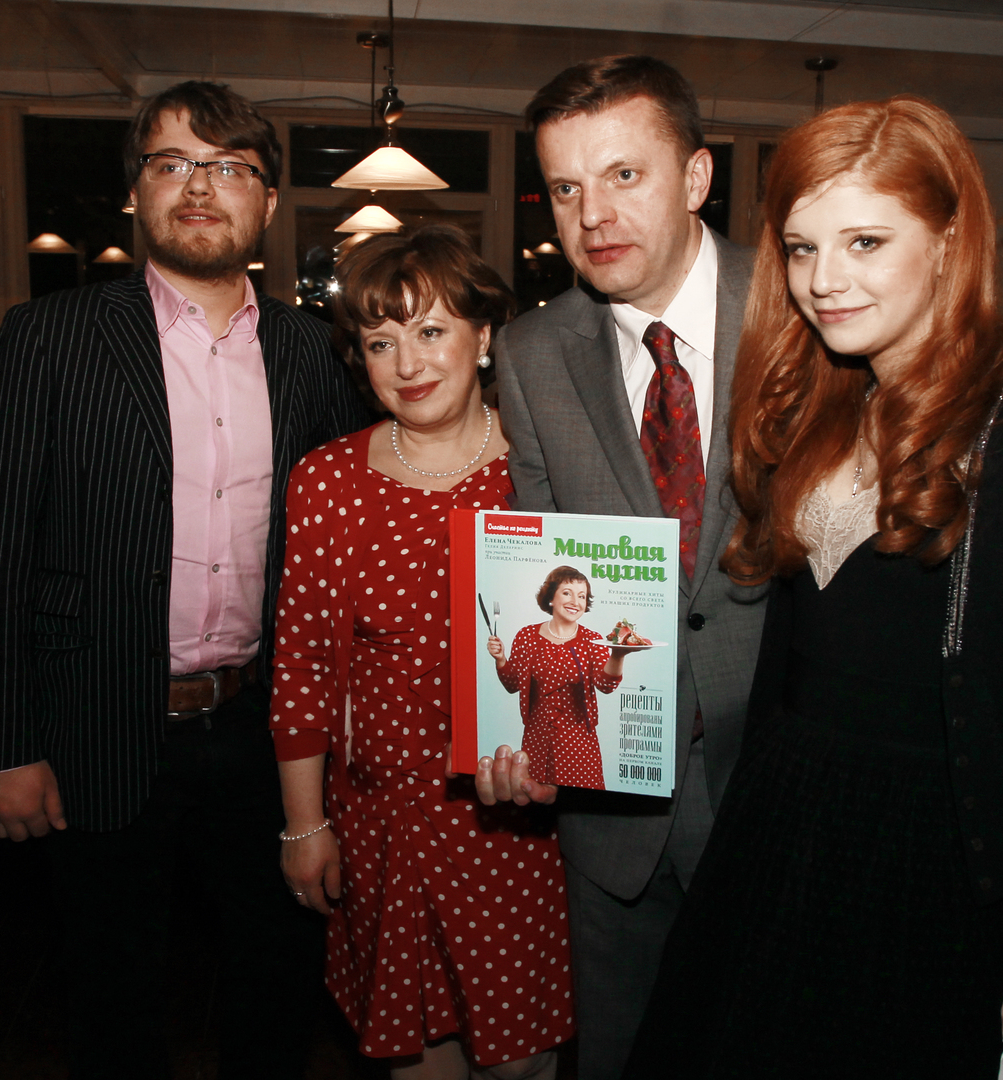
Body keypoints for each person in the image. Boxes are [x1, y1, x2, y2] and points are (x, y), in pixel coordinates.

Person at [623, 96, 1003, 1080]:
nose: (823, 280)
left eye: (864, 241)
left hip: (937, 860)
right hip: (783, 831)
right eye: (802, 248)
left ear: (948, 240)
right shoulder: (818, 407)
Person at [0, 81, 369, 1079]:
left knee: (275, 985)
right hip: (95, 720)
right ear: (136, 192)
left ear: (267, 201)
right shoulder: (49, 337)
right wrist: (3, 744)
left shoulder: (312, 351)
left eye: (229, 166)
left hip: (265, 730)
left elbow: (344, 545)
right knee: (111, 999)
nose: (199, 186)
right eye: (172, 162)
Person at [484, 55, 768, 1078]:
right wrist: (518, 738)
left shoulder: (801, 308)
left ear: (695, 177)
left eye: (623, 175)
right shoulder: (531, 352)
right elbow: (541, 562)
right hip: (612, 815)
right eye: (564, 188)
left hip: (778, 796)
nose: (591, 215)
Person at [272, 224, 572, 1080]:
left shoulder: (545, 469)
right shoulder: (327, 480)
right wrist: (304, 825)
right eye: (380, 342)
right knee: (415, 1061)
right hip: (383, 828)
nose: (407, 363)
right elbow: (301, 669)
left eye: (431, 331)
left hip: (518, 829)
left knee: (520, 1064)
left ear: (483, 338)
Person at [488, 565, 629, 789]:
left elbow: (605, 685)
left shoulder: (592, 640)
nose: (575, 601)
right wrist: (500, 659)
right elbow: (513, 684)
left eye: (582, 596)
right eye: (567, 593)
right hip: (536, 739)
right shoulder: (526, 636)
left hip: (579, 743)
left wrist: (618, 655)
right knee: (532, 799)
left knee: (581, 804)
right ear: (551, 597)